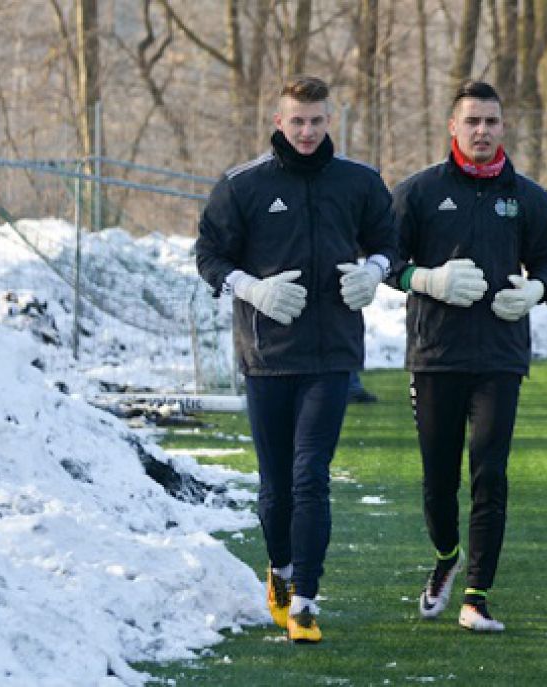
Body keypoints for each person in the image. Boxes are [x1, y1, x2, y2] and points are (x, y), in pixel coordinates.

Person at [195, 76, 397, 643]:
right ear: (279, 121)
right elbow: (208, 254)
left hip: (332, 354)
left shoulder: (358, 181)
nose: (308, 131)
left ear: (329, 120)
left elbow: (390, 239)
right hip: (265, 355)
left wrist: (375, 271)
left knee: (311, 474)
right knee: (275, 484)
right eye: (297, 121)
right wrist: (249, 288)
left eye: (317, 120)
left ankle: (306, 599)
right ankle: (280, 569)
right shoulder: (243, 186)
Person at [389, 81, 547, 632]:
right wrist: (426, 278)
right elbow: (386, 260)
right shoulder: (418, 192)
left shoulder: (529, 197)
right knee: (439, 479)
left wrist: (537, 289)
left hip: (500, 356)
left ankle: (477, 595)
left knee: (490, 472)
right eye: (472, 121)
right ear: (453, 127)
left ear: (503, 127)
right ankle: (446, 556)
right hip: (436, 354)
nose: (482, 131)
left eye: (491, 121)